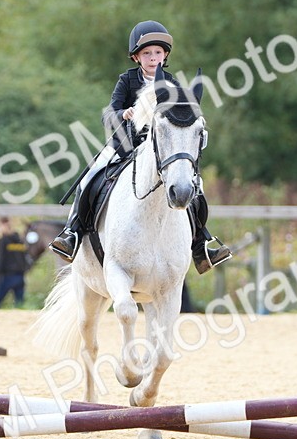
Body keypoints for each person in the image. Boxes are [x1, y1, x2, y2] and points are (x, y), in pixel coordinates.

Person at [49, 20, 232, 273]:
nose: (153, 57)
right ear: (136, 57)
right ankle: (73, 233)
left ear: (165, 55)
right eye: (147, 53)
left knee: (194, 188)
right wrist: (124, 113)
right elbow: (108, 115)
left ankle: (201, 244)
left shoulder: (172, 85)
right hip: (124, 145)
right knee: (90, 177)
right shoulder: (127, 81)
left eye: (157, 52)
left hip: (161, 152)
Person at [0, 216, 32, 307]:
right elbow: (26, 257)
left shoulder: (3, 240)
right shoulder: (20, 240)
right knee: (19, 305)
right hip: (19, 276)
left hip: (6, 277)